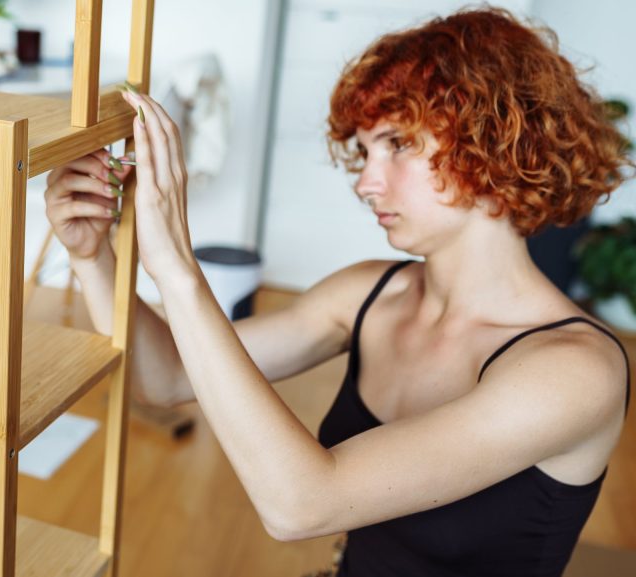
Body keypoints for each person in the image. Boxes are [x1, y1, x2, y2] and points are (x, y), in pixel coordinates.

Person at [43, 7, 633, 576]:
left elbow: (302, 504)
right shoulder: (369, 294)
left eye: (398, 144)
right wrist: (93, 255)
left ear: (497, 140)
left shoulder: (575, 372)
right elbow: (167, 376)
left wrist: (177, 268)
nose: (365, 182)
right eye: (365, 150)